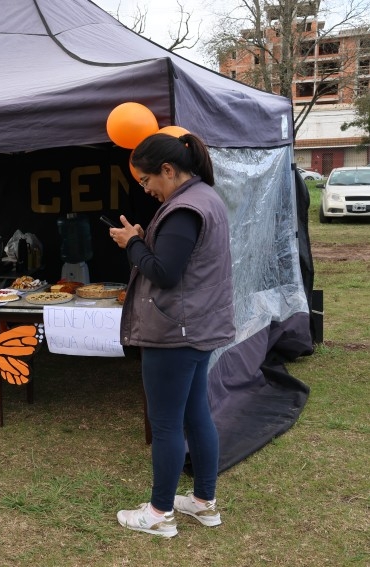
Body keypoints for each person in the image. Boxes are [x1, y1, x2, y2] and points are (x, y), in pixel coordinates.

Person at [109, 132, 235, 538]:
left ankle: (159, 513)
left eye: (147, 181)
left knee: (165, 424)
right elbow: (177, 262)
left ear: (167, 170)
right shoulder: (205, 198)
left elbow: (164, 273)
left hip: (175, 330)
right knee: (196, 413)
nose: (146, 190)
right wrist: (145, 241)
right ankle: (203, 503)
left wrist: (132, 245)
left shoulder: (184, 209)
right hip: (197, 326)